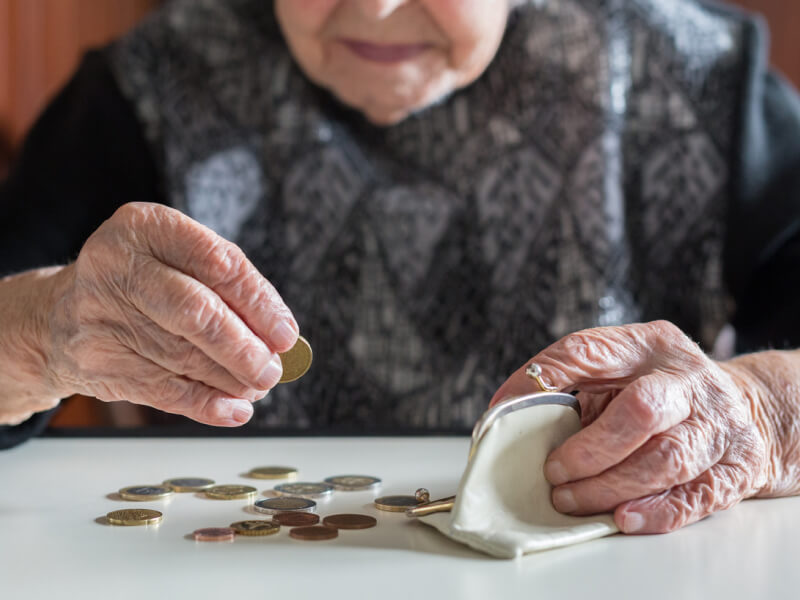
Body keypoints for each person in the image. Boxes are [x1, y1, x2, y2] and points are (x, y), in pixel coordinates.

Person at [1, 0, 799, 535]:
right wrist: (38, 332)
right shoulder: (146, 84)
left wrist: (762, 410)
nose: (377, 5)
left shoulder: (699, 79)